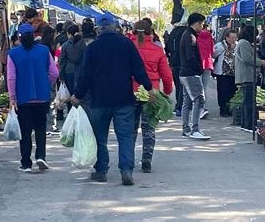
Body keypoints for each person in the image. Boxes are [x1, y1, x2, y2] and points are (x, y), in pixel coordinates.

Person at [71, 13, 153, 186]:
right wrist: (149, 87)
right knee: (125, 136)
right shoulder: (126, 44)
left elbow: (85, 75)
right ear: (115, 27)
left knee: (100, 137)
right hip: (123, 98)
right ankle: (126, 170)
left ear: (98, 29)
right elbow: (138, 70)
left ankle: (101, 170)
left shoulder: (93, 48)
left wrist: (78, 95)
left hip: (99, 100)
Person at [7, 24, 59, 173]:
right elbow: (54, 73)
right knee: (41, 128)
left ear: (19, 37)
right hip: (42, 97)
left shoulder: (13, 54)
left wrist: (12, 97)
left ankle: (26, 163)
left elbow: (11, 77)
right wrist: (45, 83)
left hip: (23, 98)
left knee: (25, 131)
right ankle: (41, 156)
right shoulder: (43, 51)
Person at [131, 20, 173, 173]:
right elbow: (166, 75)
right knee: (149, 128)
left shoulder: (129, 47)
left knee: (131, 128)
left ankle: (128, 159)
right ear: (151, 31)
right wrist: (166, 92)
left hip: (132, 90)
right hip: (151, 92)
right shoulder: (157, 49)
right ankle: (147, 160)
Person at [179, 12, 210, 140]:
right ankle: (195, 129)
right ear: (197, 23)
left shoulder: (186, 35)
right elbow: (191, 57)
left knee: (187, 101)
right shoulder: (191, 37)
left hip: (185, 72)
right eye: (202, 24)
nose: (202, 26)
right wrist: (199, 68)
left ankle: (186, 129)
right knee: (199, 99)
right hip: (191, 73)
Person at [235, 26, 265, 132]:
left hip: (247, 75)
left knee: (248, 101)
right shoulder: (244, 43)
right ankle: (248, 125)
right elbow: (247, 58)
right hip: (247, 75)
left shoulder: (243, 43)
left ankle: (247, 124)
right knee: (249, 102)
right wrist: (261, 62)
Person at [164, 13, 187, 116]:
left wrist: (170, 57)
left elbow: (167, 47)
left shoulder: (172, 32)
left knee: (178, 84)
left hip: (174, 62)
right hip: (184, 62)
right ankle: (181, 106)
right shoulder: (186, 32)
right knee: (183, 85)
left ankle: (178, 105)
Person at [212, 28, 238, 117]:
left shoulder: (237, 45)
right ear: (226, 37)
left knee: (232, 91)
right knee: (223, 91)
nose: (233, 40)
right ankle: (223, 109)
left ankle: (230, 108)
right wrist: (225, 48)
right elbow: (213, 54)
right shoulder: (220, 45)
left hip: (233, 72)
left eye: (235, 37)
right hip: (222, 72)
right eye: (231, 37)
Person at [59, 24, 82, 96]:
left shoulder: (65, 45)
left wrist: (61, 76)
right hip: (82, 71)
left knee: (70, 93)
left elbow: (62, 61)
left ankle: (71, 107)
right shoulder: (83, 43)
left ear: (69, 34)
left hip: (69, 71)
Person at [197, 23, 214, 119]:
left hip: (199, 63)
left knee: (199, 88)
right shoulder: (209, 36)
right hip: (208, 63)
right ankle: (204, 107)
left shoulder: (196, 37)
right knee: (205, 87)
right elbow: (212, 51)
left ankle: (200, 109)